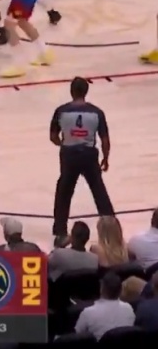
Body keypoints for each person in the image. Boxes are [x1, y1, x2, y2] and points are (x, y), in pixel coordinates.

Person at [50, 77, 115, 245]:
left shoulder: (61, 111)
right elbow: (105, 139)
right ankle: (112, 231)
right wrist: (105, 157)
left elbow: (53, 136)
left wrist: (64, 144)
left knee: (64, 192)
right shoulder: (97, 112)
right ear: (86, 91)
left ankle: (60, 232)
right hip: (89, 155)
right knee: (99, 192)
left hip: (69, 155)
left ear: (71, 91)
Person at [74, 272, 135, 339]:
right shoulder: (129, 309)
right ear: (121, 290)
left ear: (101, 288)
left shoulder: (88, 313)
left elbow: (78, 335)